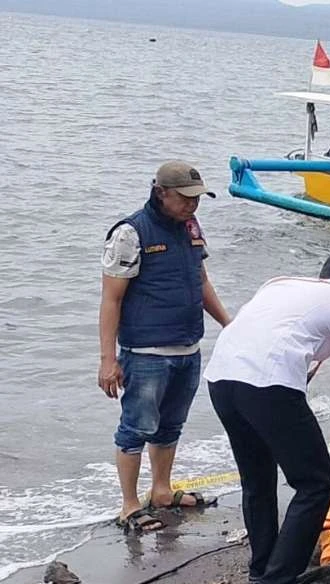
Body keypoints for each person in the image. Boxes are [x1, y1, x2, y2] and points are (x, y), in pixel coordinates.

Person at [204, 251, 330, 584]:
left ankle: (263, 570)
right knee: (317, 483)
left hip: (221, 377)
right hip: (266, 383)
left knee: (257, 478)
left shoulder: (282, 285)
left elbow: (287, 347)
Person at [98, 161, 231, 533]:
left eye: (197, 198)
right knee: (135, 427)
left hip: (188, 348)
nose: (193, 205)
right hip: (146, 353)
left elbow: (201, 279)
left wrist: (230, 325)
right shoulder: (130, 232)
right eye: (185, 198)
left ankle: (161, 491)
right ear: (161, 193)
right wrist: (108, 360)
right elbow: (111, 300)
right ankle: (128, 504)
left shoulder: (190, 228)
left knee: (171, 426)